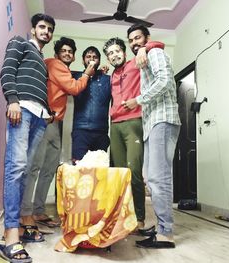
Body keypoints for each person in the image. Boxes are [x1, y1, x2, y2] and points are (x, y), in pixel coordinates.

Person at [0, 14, 56, 263]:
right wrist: (13, 101)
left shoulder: (41, 61)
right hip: (22, 110)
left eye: (50, 29)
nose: (46, 32)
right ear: (33, 29)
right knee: (16, 168)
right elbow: (7, 70)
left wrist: (48, 112)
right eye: (42, 27)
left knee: (26, 170)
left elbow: (38, 88)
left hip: (40, 116)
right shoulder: (20, 42)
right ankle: (10, 237)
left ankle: (19, 225)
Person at [20, 37, 95, 229]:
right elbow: (74, 87)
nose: (68, 54)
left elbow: (69, 82)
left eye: (70, 52)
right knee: (35, 167)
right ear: (57, 54)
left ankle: (38, 211)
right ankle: (26, 213)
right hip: (44, 121)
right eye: (64, 51)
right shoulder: (55, 64)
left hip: (55, 123)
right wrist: (86, 73)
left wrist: (96, 71)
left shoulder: (60, 69)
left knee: (48, 170)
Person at [123, 24, 181, 249]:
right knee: (151, 177)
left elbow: (165, 81)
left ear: (147, 38)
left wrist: (137, 100)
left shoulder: (154, 52)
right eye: (131, 40)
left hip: (162, 120)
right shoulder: (144, 56)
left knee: (159, 178)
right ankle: (161, 228)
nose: (134, 43)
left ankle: (166, 233)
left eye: (138, 38)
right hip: (152, 124)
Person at [103, 37, 164, 232]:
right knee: (120, 174)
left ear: (124, 51)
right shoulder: (111, 75)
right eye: (110, 53)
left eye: (117, 51)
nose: (114, 55)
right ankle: (123, 215)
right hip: (115, 125)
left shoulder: (135, 64)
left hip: (134, 122)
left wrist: (143, 49)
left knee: (134, 173)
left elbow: (158, 45)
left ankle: (139, 218)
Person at [71, 46, 111, 164]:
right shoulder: (75, 77)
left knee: (99, 172)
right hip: (80, 131)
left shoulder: (107, 79)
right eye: (88, 57)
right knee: (79, 170)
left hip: (101, 133)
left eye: (95, 57)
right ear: (83, 60)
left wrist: (99, 72)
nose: (92, 60)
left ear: (99, 61)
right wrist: (87, 74)